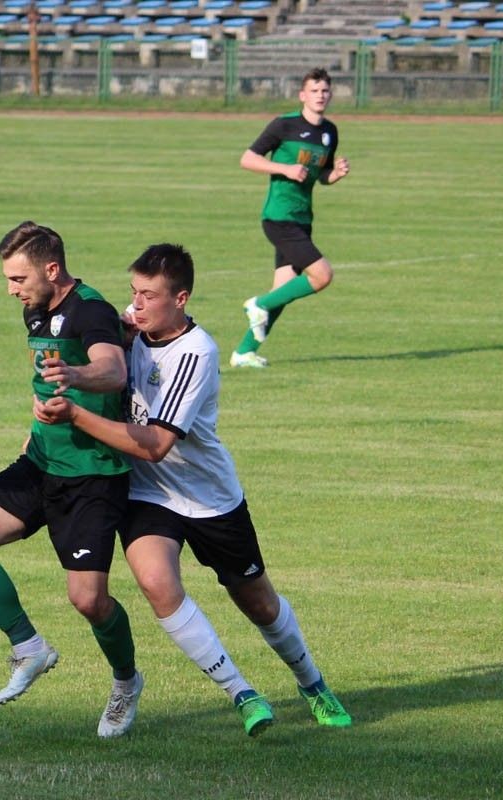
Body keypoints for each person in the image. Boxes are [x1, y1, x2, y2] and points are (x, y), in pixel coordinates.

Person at [36, 243, 352, 733]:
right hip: (147, 494)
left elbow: (157, 443)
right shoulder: (129, 329)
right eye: (133, 293)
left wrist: (74, 412)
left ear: (180, 299)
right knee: (157, 582)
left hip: (209, 497)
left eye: (149, 296)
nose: (136, 305)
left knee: (259, 602)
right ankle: (242, 694)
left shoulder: (196, 352)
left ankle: (311, 683)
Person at [0, 221, 144, 738]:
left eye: (18, 279)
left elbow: (113, 369)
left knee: (89, 601)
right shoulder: (36, 309)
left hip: (93, 476)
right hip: (41, 460)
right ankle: (29, 648)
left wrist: (75, 377)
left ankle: (126, 682)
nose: (12, 290)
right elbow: (45, 376)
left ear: (51, 270)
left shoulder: (90, 310)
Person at [230, 68, 350, 369]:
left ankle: (244, 352)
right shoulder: (284, 125)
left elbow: (320, 175)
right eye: (314, 91)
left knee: (283, 290)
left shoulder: (329, 132)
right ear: (302, 95)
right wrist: (284, 169)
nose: (320, 96)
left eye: (325, 91)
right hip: (279, 217)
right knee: (322, 275)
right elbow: (247, 159)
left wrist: (334, 174)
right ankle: (257, 304)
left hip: (302, 218)